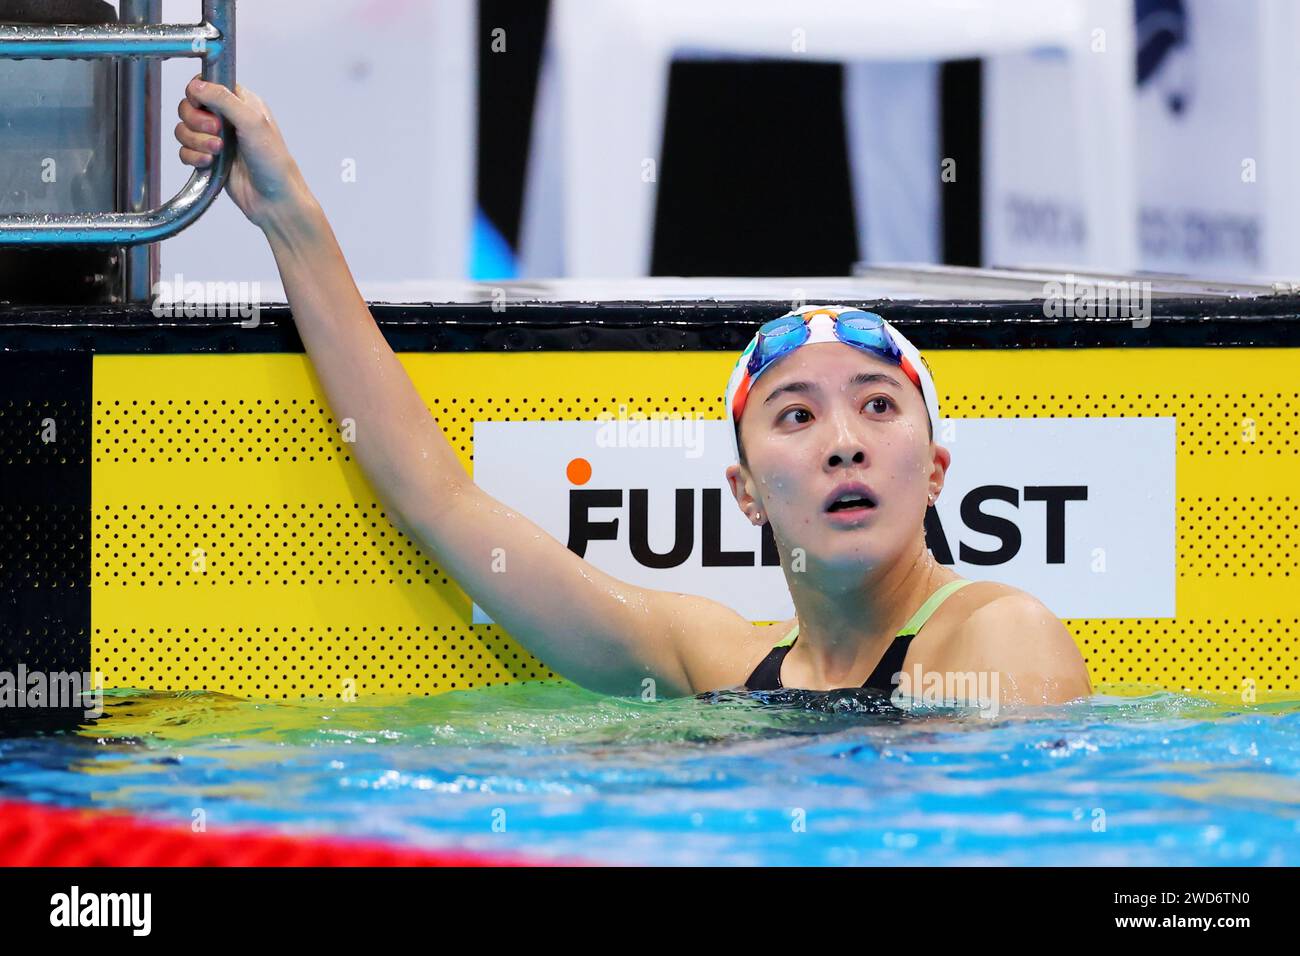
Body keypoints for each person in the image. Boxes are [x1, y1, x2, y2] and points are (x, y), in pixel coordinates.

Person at [172, 76, 1093, 707]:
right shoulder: (718, 663)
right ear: (745, 495)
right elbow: (440, 501)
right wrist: (289, 216)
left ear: (934, 472)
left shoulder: (998, 641)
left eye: (878, 405)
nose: (843, 441)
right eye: (798, 416)